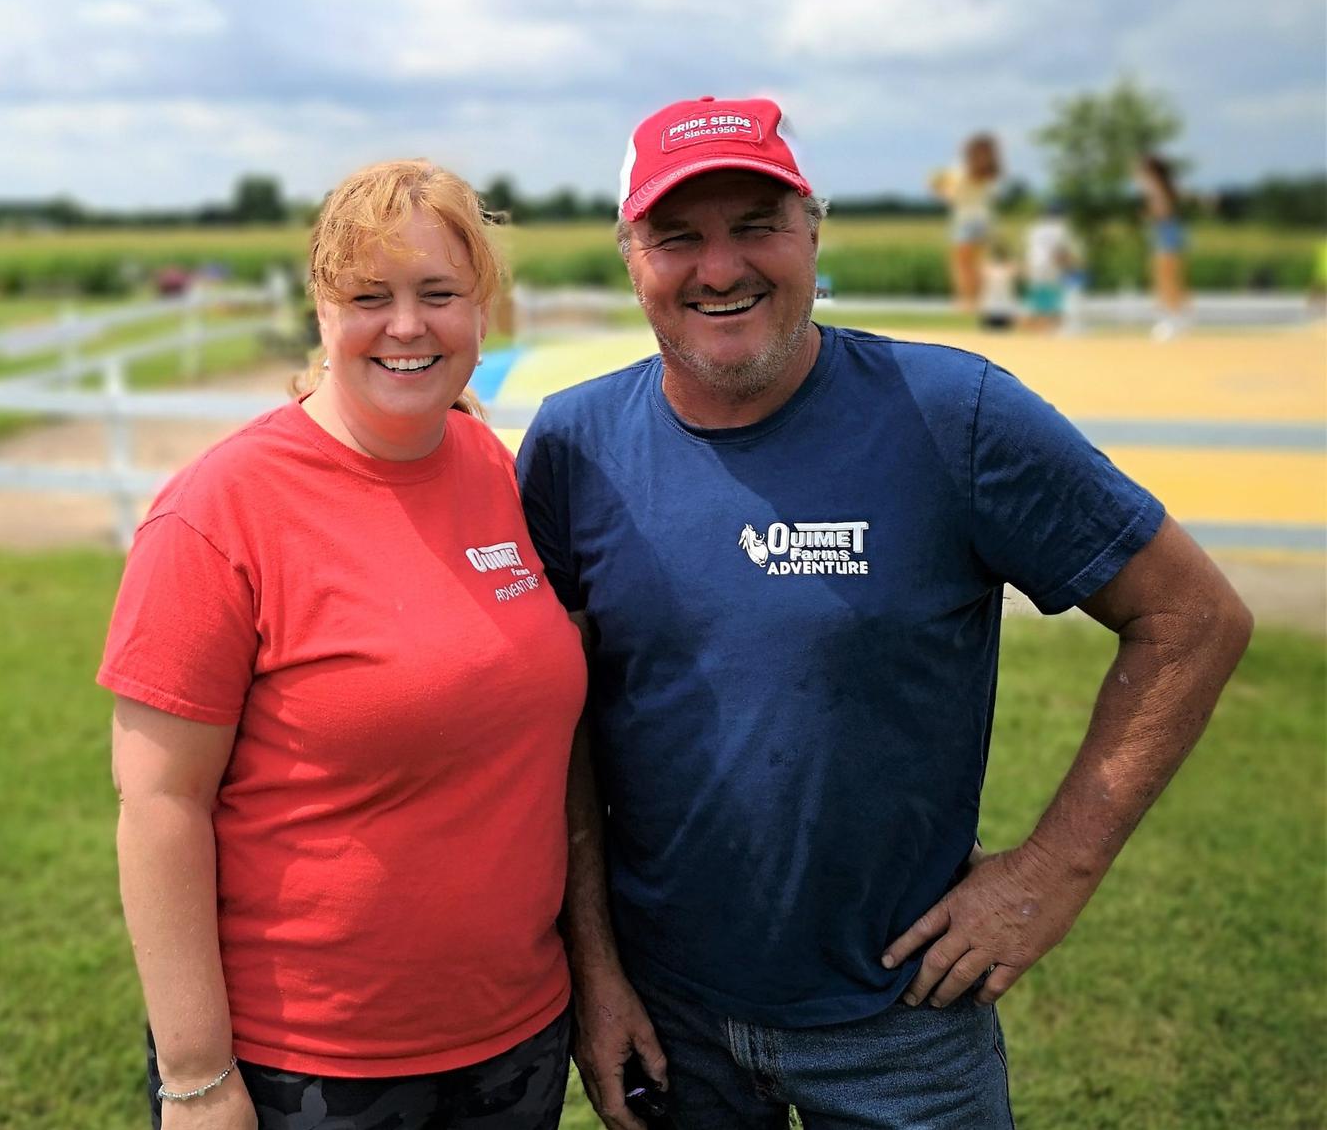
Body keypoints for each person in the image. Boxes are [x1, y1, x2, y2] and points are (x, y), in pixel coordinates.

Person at [519, 95, 1253, 1130]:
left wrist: (1051, 872)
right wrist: (595, 970)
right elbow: (558, 731)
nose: (719, 269)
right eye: (676, 237)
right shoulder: (572, 446)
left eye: (756, 226)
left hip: (903, 1023)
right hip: (666, 1013)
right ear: (630, 259)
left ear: (813, 233)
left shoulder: (952, 414)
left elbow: (1193, 618)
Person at [102, 159, 586, 1129]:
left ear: (480, 309)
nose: (406, 326)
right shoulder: (218, 511)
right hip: (310, 1067)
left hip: (516, 1038)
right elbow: (159, 804)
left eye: (437, 293)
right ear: (321, 308)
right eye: (370, 296)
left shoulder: (494, 469)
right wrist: (195, 1077)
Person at [930, 133, 1002, 312]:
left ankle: (966, 301)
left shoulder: (961, 170)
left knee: (961, 265)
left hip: (964, 219)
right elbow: (992, 196)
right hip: (985, 220)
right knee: (978, 265)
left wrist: (938, 189)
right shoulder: (991, 173)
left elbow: (952, 196)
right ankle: (980, 300)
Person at [1138, 153, 1189, 339]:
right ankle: (1177, 319)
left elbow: (1162, 211)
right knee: (1171, 279)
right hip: (1170, 233)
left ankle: (1171, 320)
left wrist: (1148, 214)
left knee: (1164, 279)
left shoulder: (1156, 188)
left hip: (1165, 234)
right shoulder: (1166, 186)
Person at [1023, 198, 1083, 334]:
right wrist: (1072, 266)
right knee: (1054, 298)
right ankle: (1052, 329)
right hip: (1051, 265)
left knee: (1037, 298)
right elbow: (1060, 252)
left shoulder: (1035, 228)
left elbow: (1031, 250)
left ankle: (1035, 329)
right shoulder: (1060, 228)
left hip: (1034, 265)